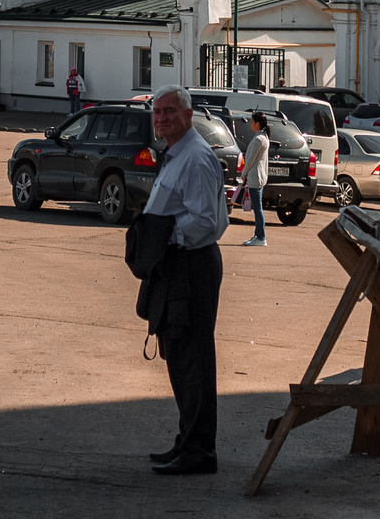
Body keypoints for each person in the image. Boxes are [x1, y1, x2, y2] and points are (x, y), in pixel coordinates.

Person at [137, 86, 224, 476]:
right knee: (179, 357)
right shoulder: (176, 155)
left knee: (193, 361)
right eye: (157, 112)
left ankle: (200, 452)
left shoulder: (196, 159)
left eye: (169, 112)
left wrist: (163, 238)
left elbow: (207, 222)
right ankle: (187, 441)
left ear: (188, 116)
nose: (161, 119)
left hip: (191, 266)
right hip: (176, 265)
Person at [237, 116, 270, 247]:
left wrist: (243, 174)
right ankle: (258, 235)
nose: (251, 124)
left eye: (252, 122)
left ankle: (261, 237)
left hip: (255, 177)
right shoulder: (264, 137)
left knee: (257, 208)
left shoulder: (258, 139)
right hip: (259, 177)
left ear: (258, 124)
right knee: (258, 207)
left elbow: (250, 159)